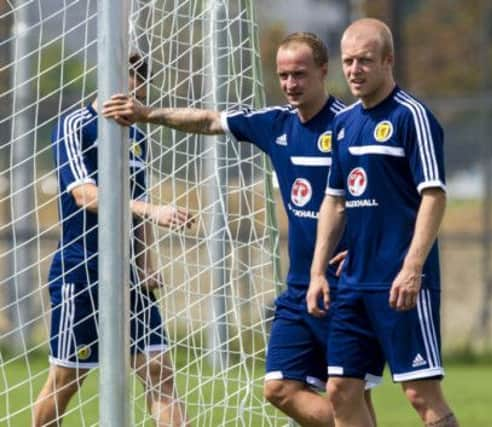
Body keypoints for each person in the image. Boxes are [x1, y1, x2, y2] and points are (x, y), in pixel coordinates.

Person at [102, 33, 382, 427]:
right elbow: (210, 119)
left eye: (300, 74)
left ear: (323, 71)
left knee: (349, 392)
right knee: (280, 388)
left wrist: (370, 247)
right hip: (300, 287)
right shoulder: (275, 124)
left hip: (349, 286)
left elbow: (384, 197)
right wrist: (147, 114)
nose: (290, 84)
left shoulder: (351, 126)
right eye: (283, 75)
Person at [306, 18, 459, 427]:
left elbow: (434, 195)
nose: (354, 71)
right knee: (340, 389)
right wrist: (318, 271)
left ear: (388, 61)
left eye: (365, 61)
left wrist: (412, 268)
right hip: (354, 282)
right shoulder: (343, 124)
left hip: (401, 282)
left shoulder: (413, 117)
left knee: (419, 394)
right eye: (348, 61)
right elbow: (335, 202)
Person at [33, 54, 192, 427]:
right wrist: (152, 210)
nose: (134, 95)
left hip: (130, 276)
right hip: (82, 269)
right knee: (67, 379)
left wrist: (146, 264)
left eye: (139, 86)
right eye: (127, 85)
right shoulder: (75, 125)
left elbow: (136, 206)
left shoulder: (136, 136)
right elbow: (85, 196)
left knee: (158, 371)